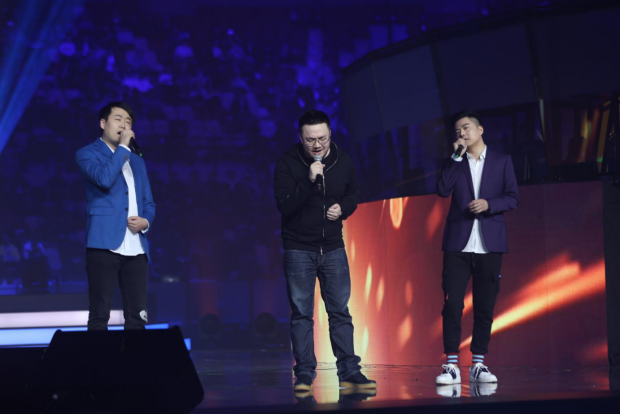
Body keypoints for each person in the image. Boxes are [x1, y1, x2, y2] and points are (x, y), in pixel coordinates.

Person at [273, 110, 376, 392]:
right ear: (300, 138)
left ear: (330, 134)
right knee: (301, 314)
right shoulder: (287, 163)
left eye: (322, 138)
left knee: (340, 311)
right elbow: (284, 205)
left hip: (332, 246)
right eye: (310, 140)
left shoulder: (343, 160)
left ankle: (350, 371)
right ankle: (305, 373)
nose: (317, 145)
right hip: (299, 248)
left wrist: (343, 208)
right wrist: (308, 181)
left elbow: (354, 193)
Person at [435, 111, 519, 385]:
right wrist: (455, 157)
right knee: (452, 305)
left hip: (489, 243)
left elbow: (512, 198)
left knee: (485, 306)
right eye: (457, 130)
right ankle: (451, 364)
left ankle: (478, 364)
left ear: (480, 130)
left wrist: (489, 204)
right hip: (457, 244)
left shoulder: (502, 161)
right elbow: (443, 190)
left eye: (466, 127)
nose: (462, 133)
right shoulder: (454, 161)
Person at [75, 102, 155, 330]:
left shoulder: (137, 161)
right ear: (103, 123)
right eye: (118, 119)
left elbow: (149, 202)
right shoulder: (87, 154)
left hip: (136, 247)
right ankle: (99, 355)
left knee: (138, 316)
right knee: (100, 314)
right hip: (103, 244)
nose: (124, 125)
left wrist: (146, 221)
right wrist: (123, 149)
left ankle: (134, 353)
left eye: (128, 122)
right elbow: (104, 179)